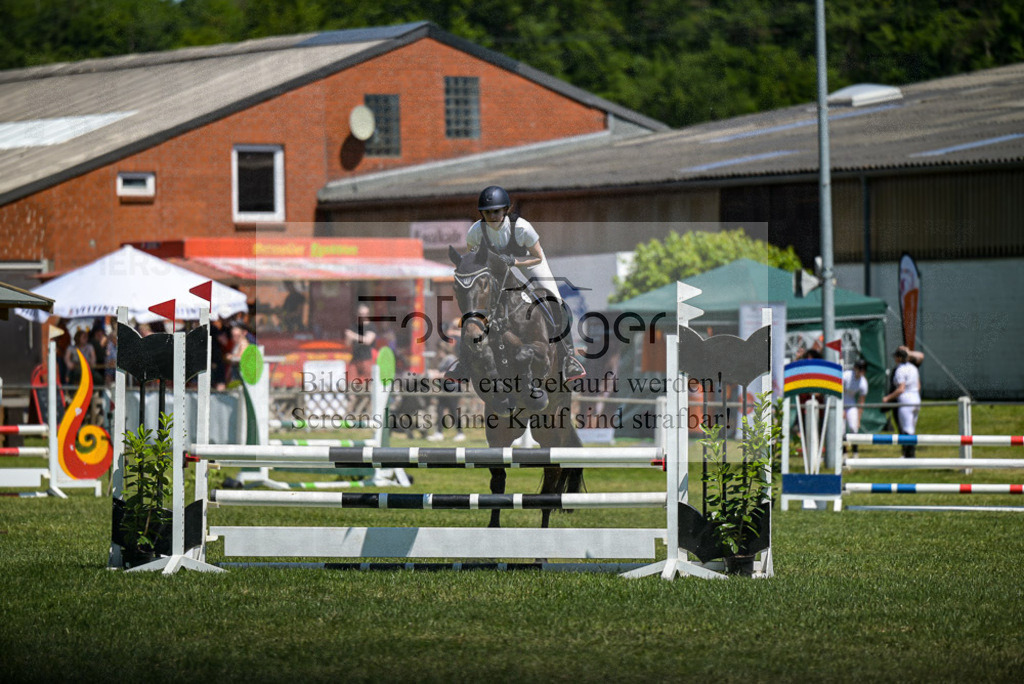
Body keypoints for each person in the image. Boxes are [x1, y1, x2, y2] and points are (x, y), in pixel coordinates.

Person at [466, 185, 586, 380]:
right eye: (487, 212)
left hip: (528, 262)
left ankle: (569, 358)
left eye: (496, 211)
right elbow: (473, 261)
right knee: (474, 302)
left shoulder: (522, 227)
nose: (492, 216)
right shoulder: (475, 232)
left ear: (506, 209)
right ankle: (463, 362)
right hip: (497, 268)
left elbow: (537, 257)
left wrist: (513, 261)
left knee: (555, 301)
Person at [883, 346, 922, 458]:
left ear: (899, 358)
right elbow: (918, 385)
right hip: (916, 399)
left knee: (906, 429)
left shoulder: (900, 369)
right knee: (912, 428)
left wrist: (888, 398)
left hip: (906, 400)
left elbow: (901, 388)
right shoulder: (914, 368)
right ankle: (910, 453)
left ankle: (908, 454)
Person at [843, 358, 869, 453]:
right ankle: (843, 452)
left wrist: (858, 418)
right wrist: (841, 409)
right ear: (855, 368)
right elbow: (838, 393)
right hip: (841, 401)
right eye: (859, 369)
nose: (861, 372)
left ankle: (855, 451)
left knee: (854, 427)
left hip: (851, 403)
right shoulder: (846, 376)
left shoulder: (863, 383)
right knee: (841, 429)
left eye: (863, 370)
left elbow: (861, 402)